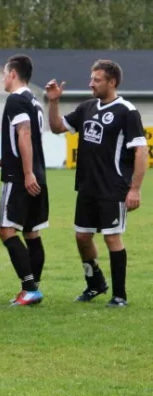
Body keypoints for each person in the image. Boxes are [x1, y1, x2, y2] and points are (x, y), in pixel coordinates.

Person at [46, 60, 147, 307]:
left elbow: (141, 151)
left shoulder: (127, 111)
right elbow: (57, 127)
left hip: (113, 188)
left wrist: (134, 189)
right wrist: (54, 101)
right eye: (91, 79)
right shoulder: (87, 107)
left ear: (112, 82)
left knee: (112, 238)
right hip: (87, 186)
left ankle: (120, 295)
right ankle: (95, 284)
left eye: (97, 80)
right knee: (82, 236)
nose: (91, 83)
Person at [0, 55, 48, 306]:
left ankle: (29, 288)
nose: (3, 78)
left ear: (14, 74)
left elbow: (24, 133)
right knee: (31, 233)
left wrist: (25, 173)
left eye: (5, 73)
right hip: (38, 173)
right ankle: (32, 288)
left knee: (7, 231)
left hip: (20, 177)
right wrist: (0, 161)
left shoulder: (16, 99)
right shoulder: (34, 100)